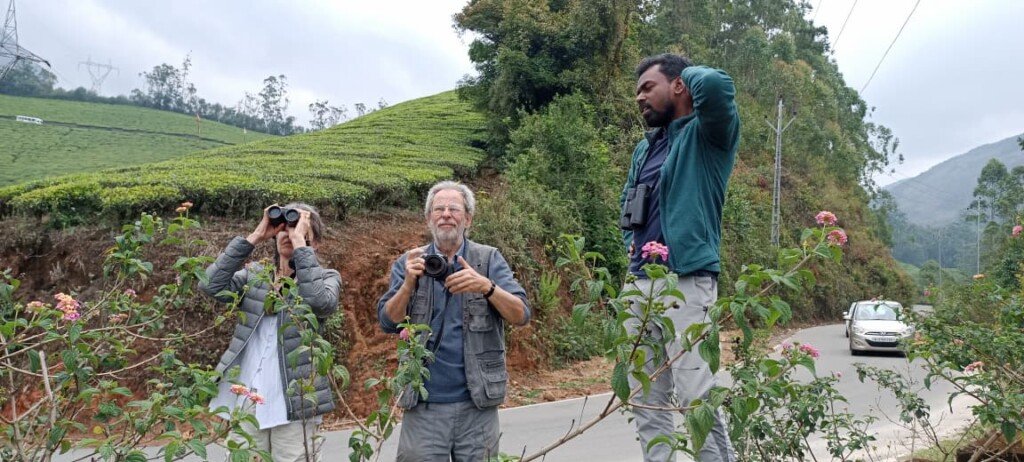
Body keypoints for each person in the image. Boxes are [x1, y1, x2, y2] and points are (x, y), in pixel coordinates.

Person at [619, 53, 740, 461]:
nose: (639, 98)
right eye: (636, 91)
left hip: (686, 280)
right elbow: (628, 205)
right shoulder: (645, 148)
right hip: (638, 284)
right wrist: (629, 247)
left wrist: (683, 71)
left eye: (647, 87)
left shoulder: (708, 135)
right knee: (645, 398)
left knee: (695, 397)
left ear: (678, 86)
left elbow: (717, 86)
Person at [377, 181, 530, 462]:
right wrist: (409, 283)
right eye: (439, 209)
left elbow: (521, 315)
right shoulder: (410, 261)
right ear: (428, 218)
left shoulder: (488, 259)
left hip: (477, 407)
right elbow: (388, 321)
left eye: (454, 209)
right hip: (423, 407)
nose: (446, 214)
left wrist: (487, 286)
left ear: (467, 219)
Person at [201, 203, 341, 462]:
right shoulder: (256, 276)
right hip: (247, 400)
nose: (289, 234)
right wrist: (255, 236)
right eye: (284, 230)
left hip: (294, 403)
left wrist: (301, 245)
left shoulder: (326, 278)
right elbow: (210, 285)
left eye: (298, 229)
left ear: (316, 242)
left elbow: (321, 303)